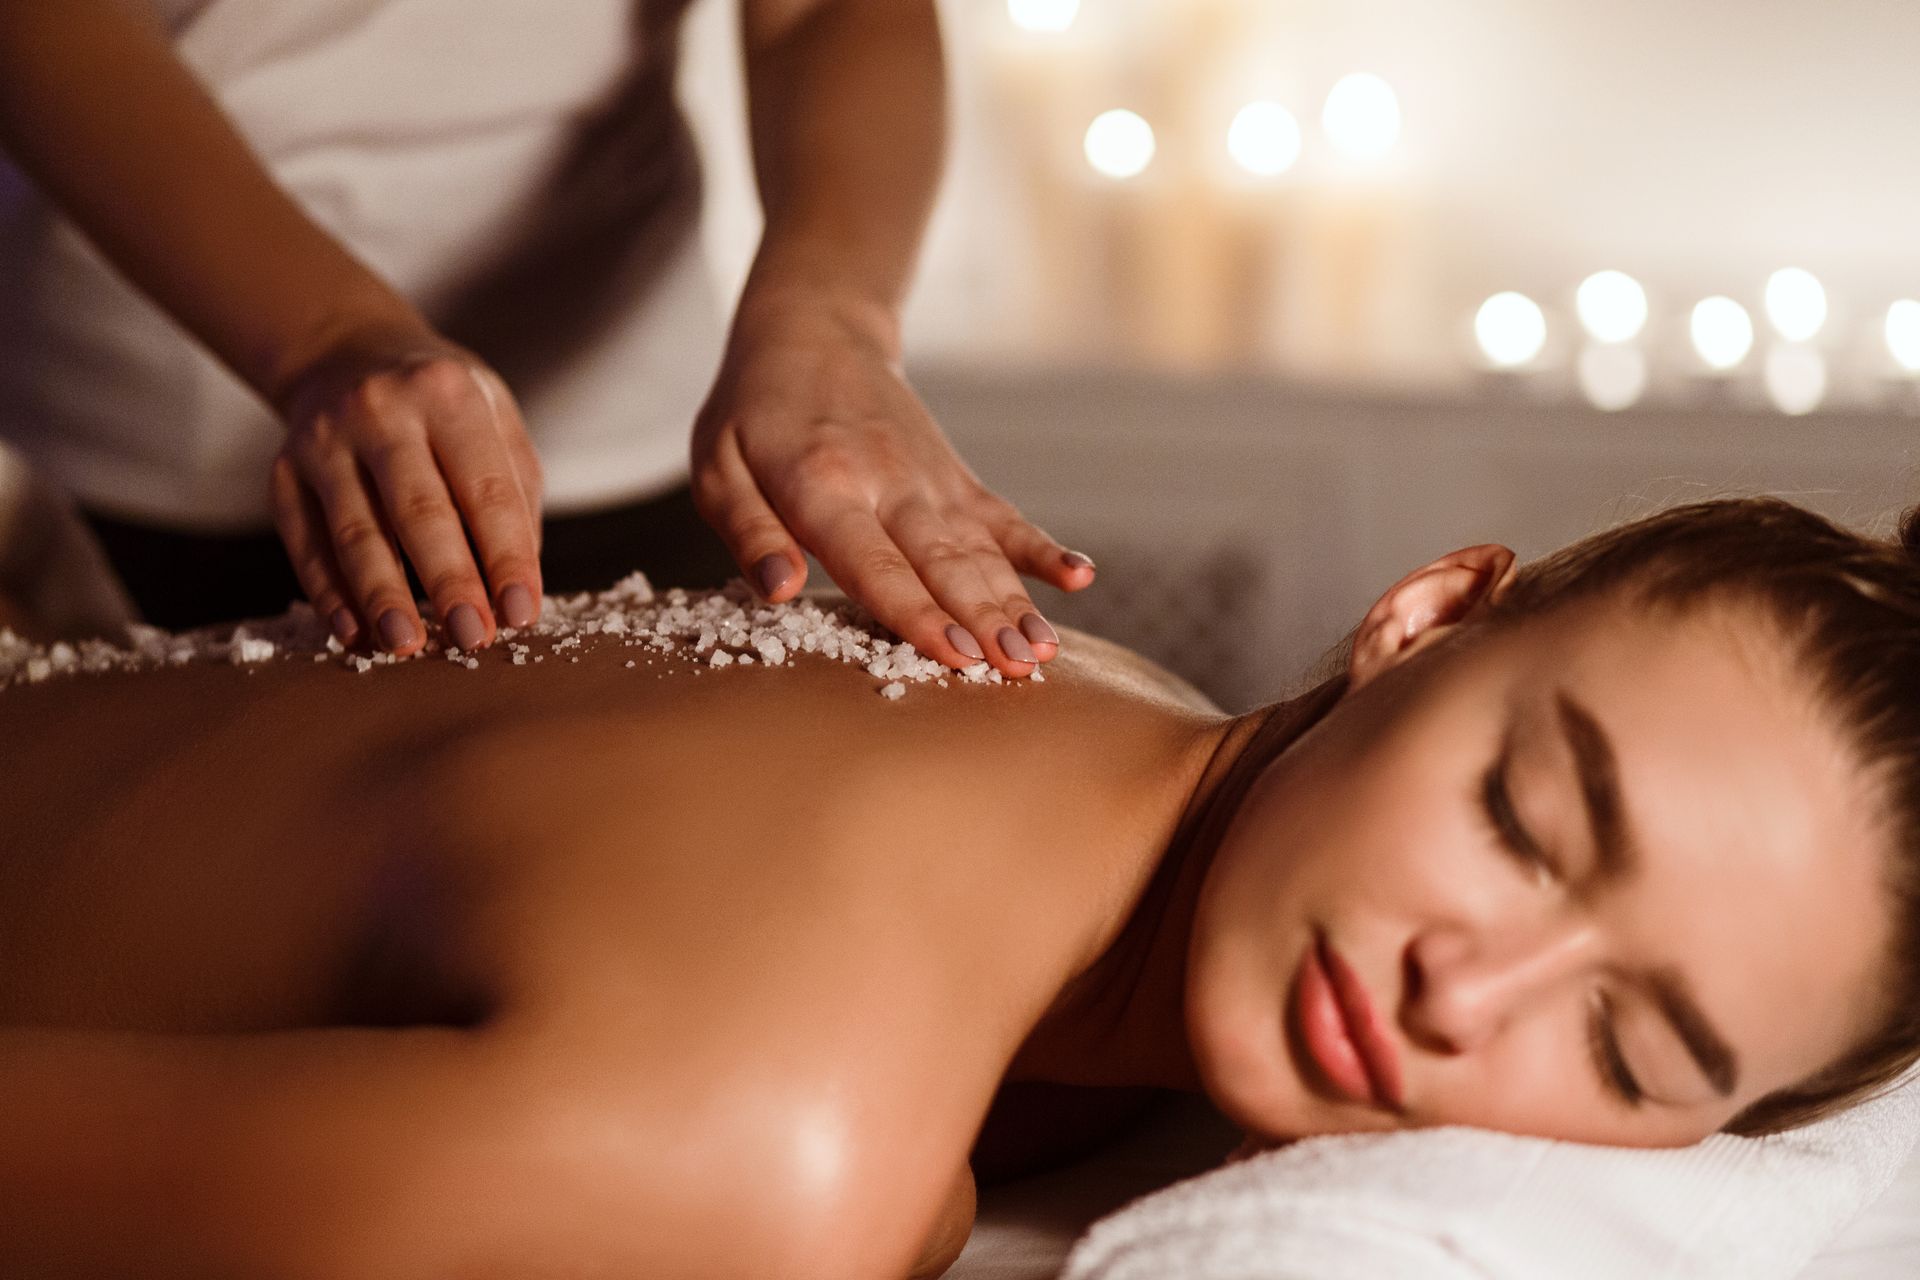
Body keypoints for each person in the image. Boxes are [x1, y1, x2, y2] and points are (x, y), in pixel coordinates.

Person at [3, 494, 1918, 1278]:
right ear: (1422, 620)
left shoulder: (1114, 721)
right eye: (1522, 813)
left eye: (1628, 1043)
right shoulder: (784, 1153)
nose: (1463, 994)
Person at [0, 0, 1090, 677]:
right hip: (135, 457)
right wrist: (330, 333)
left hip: (636, 456)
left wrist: (834, 318)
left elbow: (828, 11)